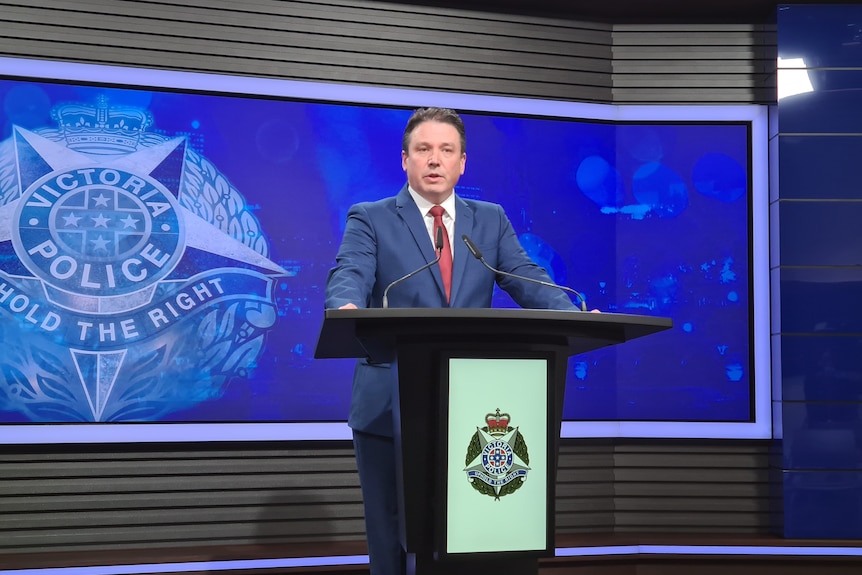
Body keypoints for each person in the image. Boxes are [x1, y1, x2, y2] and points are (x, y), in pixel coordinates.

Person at [324, 107, 583, 575]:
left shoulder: (489, 220)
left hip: (474, 405)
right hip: (390, 403)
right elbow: (351, 272)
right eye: (424, 149)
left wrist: (572, 313)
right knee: (392, 531)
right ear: (404, 159)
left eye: (447, 150)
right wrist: (345, 305)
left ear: (463, 162)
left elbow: (523, 276)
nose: (435, 160)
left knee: (478, 526)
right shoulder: (371, 217)